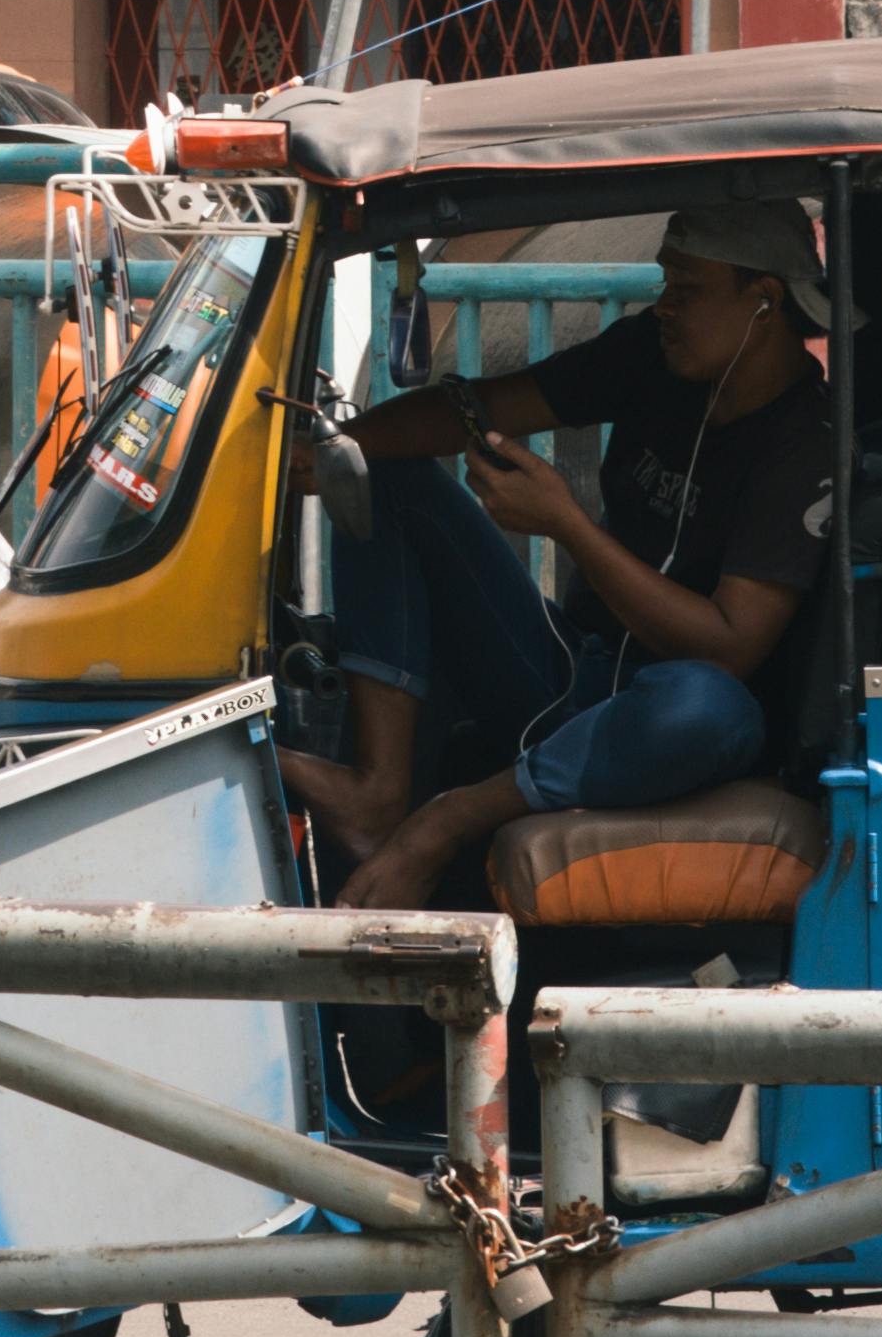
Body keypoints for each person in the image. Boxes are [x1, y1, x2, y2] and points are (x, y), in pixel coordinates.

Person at [285, 199, 837, 913]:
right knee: (385, 469)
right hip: (570, 671)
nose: (665, 306)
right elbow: (476, 410)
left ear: (764, 301)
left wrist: (566, 525)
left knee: (708, 706)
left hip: (667, 725)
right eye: (666, 284)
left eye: (688, 290)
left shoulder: (803, 445)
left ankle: (449, 817)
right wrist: (330, 448)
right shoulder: (653, 357)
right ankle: (377, 791)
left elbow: (729, 648)